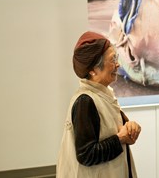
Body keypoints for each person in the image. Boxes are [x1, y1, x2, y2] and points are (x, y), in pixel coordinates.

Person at [57, 31, 141, 178]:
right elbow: (86, 154)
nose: (117, 64)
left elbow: (114, 131)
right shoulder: (85, 101)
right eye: (112, 59)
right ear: (93, 70)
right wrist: (120, 139)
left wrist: (130, 128)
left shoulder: (104, 94)